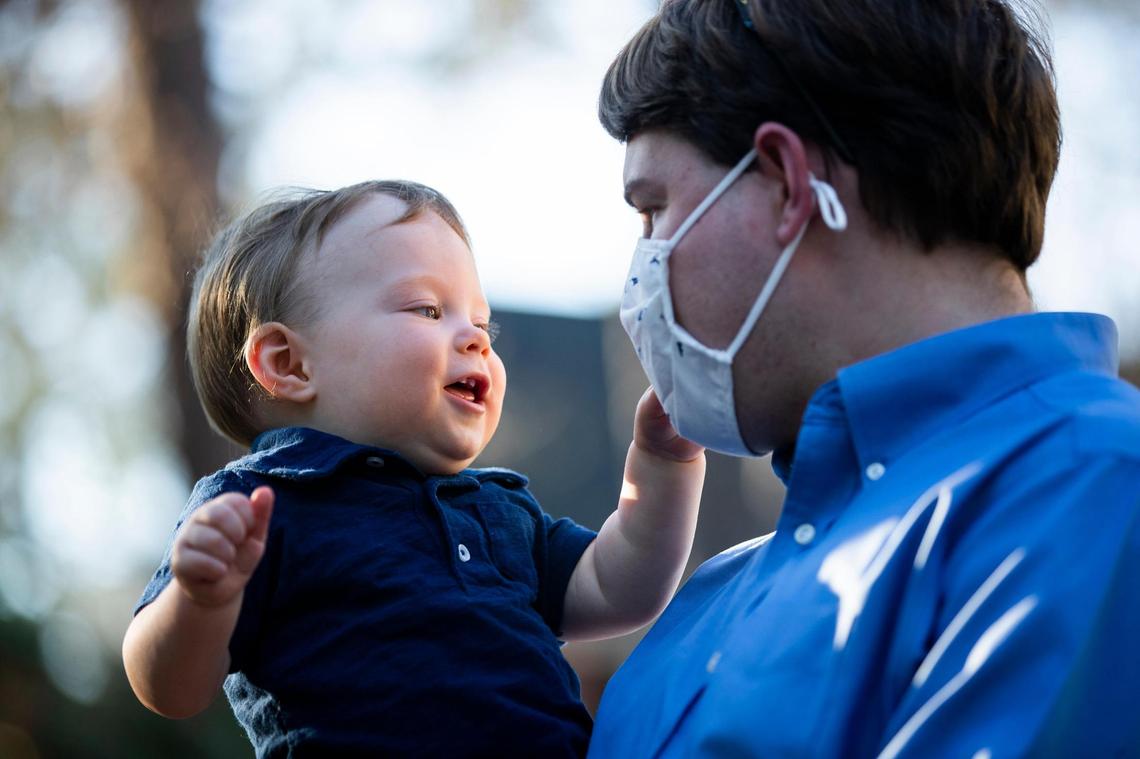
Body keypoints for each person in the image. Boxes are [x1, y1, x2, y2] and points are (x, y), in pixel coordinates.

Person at [588, 0, 1140, 756]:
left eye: (654, 209)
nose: (640, 270)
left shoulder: (1098, 484)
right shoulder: (715, 591)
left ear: (786, 183)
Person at [121, 180, 705, 757]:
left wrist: (663, 465)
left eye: (483, 325)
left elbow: (616, 587)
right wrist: (200, 599)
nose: (476, 340)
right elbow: (170, 688)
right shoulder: (260, 505)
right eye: (428, 309)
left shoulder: (497, 514)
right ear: (290, 364)